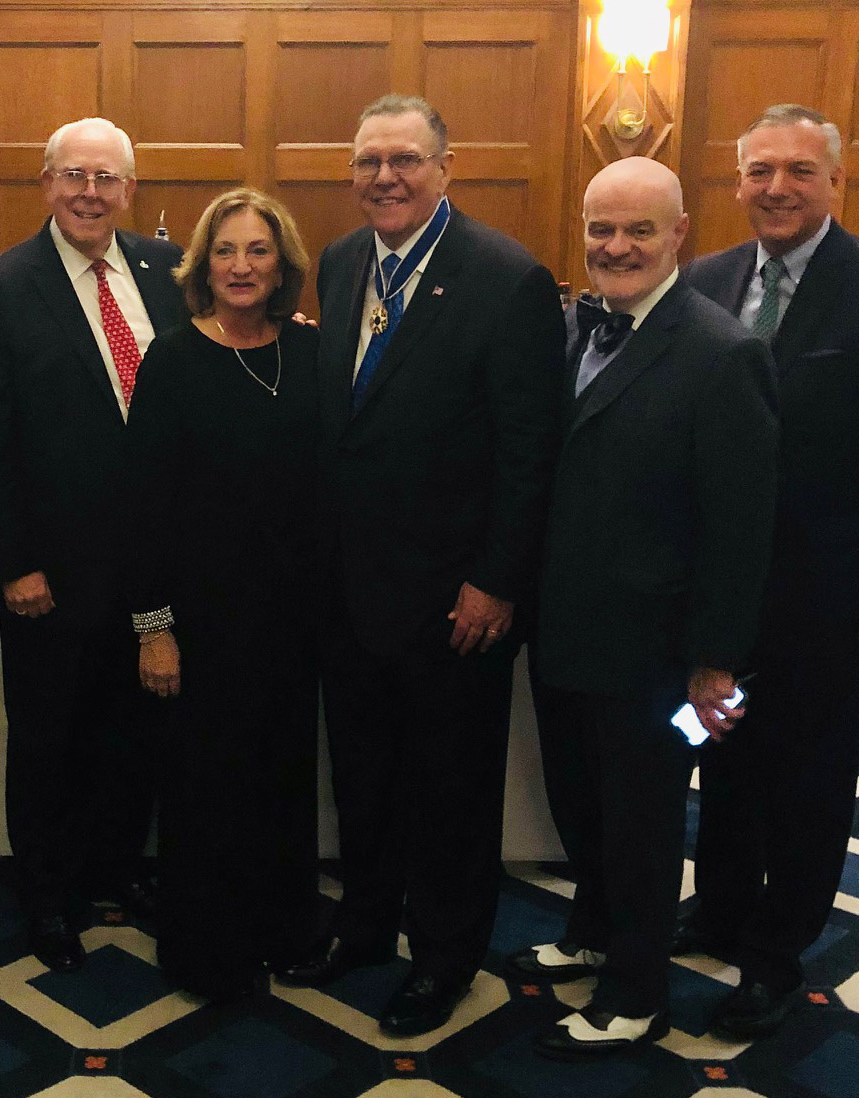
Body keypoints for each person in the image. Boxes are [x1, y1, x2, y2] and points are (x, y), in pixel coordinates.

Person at [275, 94, 563, 1038]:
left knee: (450, 791)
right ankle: (363, 928)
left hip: (455, 603)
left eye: (404, 160)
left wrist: (497, 581)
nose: (384, 179)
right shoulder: (343, 259)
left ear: (447, 167)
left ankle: (444, 958)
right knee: (363, 779)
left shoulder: (506, 278)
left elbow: (529, 452)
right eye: (367, 163)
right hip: (350, 594)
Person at [509, 156, 779, 1058]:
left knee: (644, 819)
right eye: (600, 229)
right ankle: (592, 930)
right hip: (567, 626)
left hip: (659, 649)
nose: (615, 247)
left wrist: (715, 663)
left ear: (678, 237)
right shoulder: (572, 328)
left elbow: (741, 530)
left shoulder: (722, 352)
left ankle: (637, 990)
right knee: (580, 799)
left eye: (637, 231)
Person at [681, 104, 859, 1038]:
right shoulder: (702, 281)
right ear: (736, 183)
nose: (777, 188)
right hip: (720, 592)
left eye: (800, 172)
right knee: (721, 755)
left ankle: (778, 953)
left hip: (829, 595)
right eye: (760, 171)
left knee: (809, 780)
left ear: (835, 182)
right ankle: (724, 909)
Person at [0, 117, 187, 971]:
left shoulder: (168, 272)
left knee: (137, 730)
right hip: (48, 569)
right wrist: (12, 563)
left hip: (155, 563)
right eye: (75, 176)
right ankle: (49, 895)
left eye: (108, 179)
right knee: (49, 736)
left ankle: (118, 870)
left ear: (131, 190)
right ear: (46, 183)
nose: (91, 193)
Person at [124, 188, 321, 1000]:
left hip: (291, 621)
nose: (241, 266)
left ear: (284, 268)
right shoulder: (171, 360)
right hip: (198, 625)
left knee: (281, 781)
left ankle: (284, 929)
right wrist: (154, 629)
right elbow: (141, 510)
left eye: (259, 252)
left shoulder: (310, 354)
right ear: (203, 264)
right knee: (207, 790)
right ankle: (210, 951)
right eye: (226, 251)